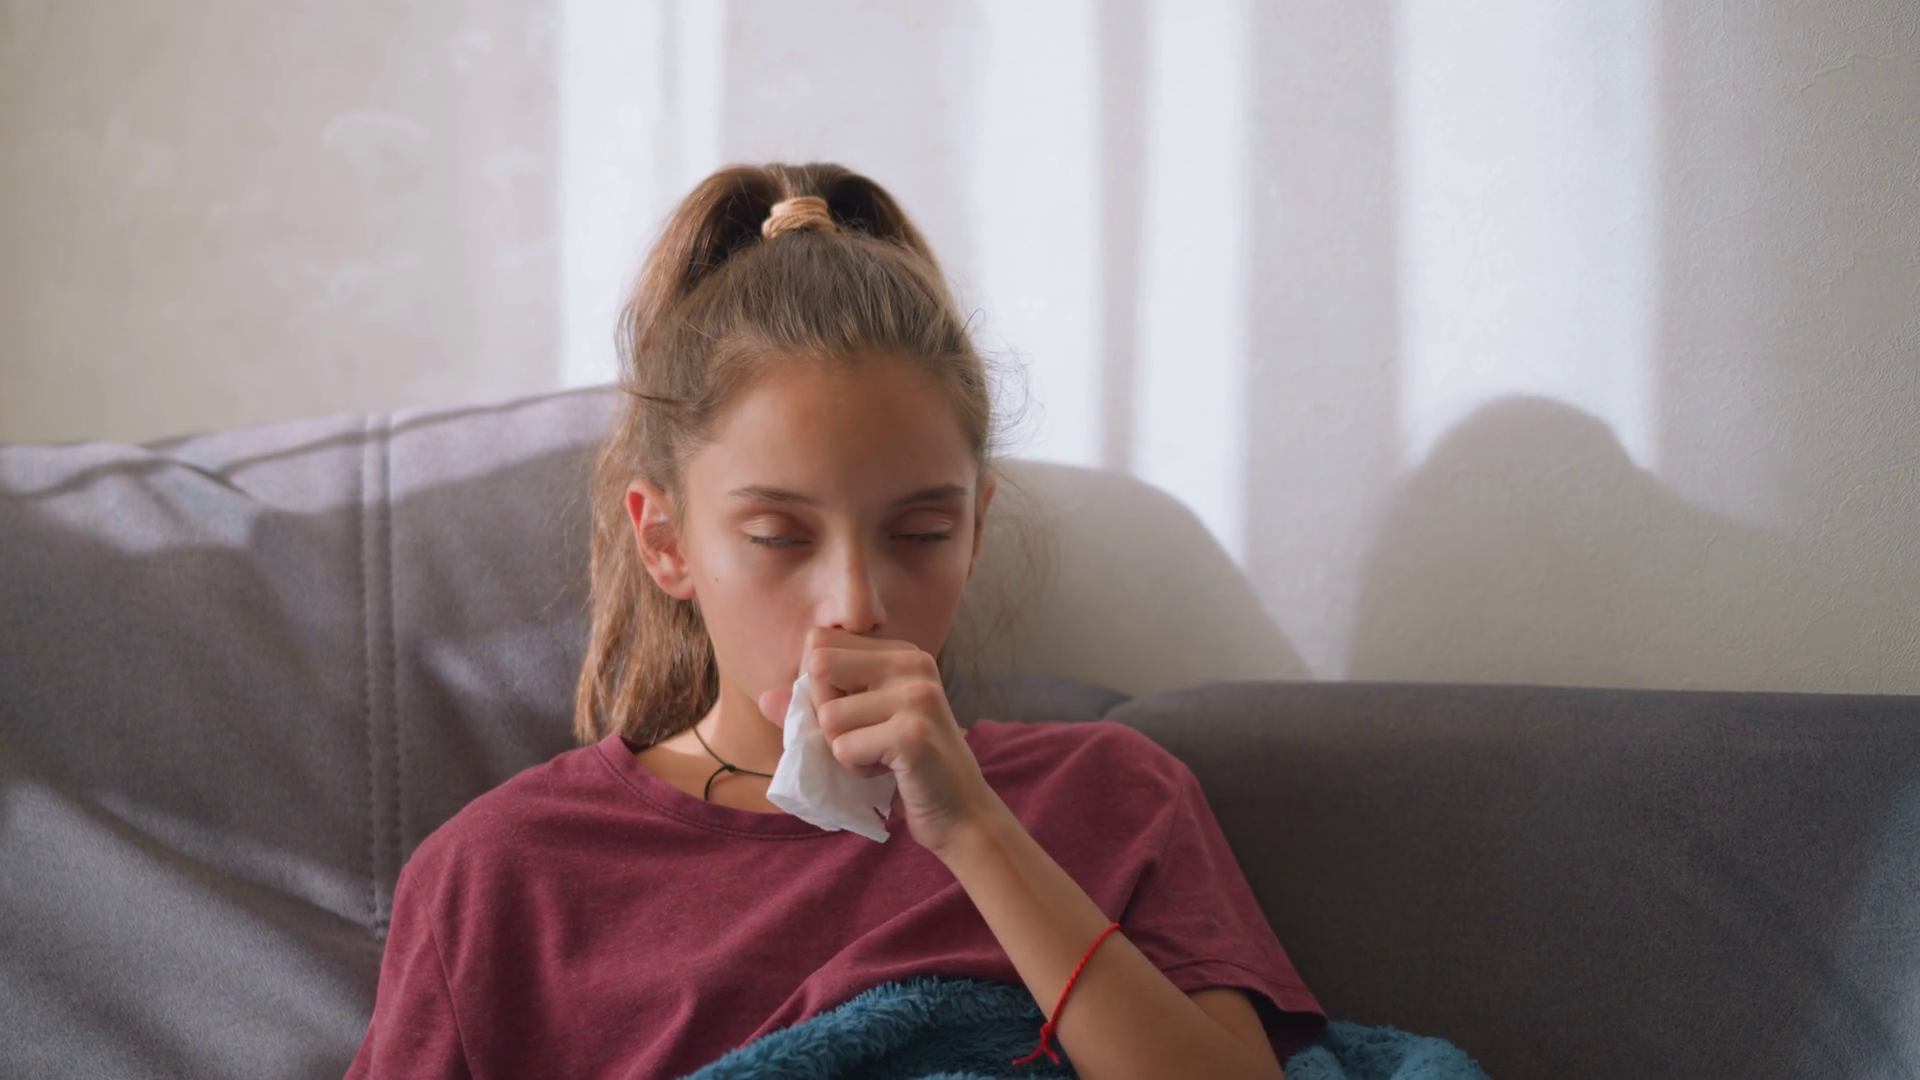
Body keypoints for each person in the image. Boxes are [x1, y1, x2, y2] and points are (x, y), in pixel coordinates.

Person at [345, 162, 1325, 1079]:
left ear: (975, 535)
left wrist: (975, 830)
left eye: (921, 534)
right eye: (779, 536)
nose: (856, 604)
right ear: (667, 543)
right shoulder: (503, 875)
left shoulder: (1111, 796)